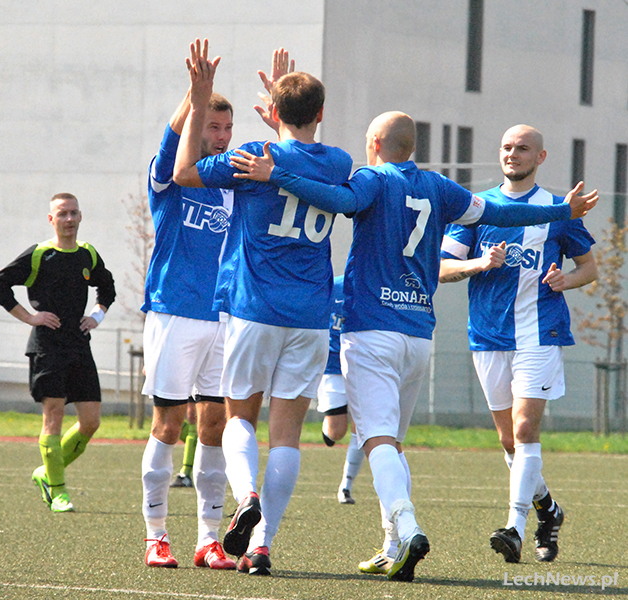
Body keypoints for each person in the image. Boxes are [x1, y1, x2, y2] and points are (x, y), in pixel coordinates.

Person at [229, 111, 598, 581]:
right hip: (418, 333)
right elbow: (502, 213)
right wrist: (561, 211)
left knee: (376, 439)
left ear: (375, 144)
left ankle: (407, 528)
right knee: (394, 444)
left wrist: (276, 172)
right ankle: (390, 545)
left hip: (372, 329)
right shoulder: (439, 187)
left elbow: (338, 199)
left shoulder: (372, 179)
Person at [174, 40, 354, 576]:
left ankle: (245, 494)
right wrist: (281, 115)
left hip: (255, 309)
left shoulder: (253, 156)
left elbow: (184, 172)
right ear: (321, 113)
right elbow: (302, 158)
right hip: (311, 317)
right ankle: (262, 546)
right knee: (287, 437)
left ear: (274, 112)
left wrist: (198, 99)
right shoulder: (339, 161)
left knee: (239, 418)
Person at [439, 124, 597, 564]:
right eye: (507, 147)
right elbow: (442, 269)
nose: (513, 154)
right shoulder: (477, 208)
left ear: (539, 157)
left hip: (540, 332)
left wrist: (566, 280)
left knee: (526, 429)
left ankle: (515, 528)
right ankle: (549, 509)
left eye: (523, 148)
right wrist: (479, 263)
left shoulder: (558, 209)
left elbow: (589, 268)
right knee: (509, 441)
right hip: (487, 334)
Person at [139, 53, 235, 570]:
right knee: (169, 425)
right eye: (212, 126)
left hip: (225, 319)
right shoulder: (170, 180)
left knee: (214, 425)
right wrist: (196, 97)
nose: (220, 136)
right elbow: (171, 138)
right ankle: (156, 536)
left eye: (226, 127)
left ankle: (208, 538)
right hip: (175, 312)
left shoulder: (233, 184)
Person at [0, 193, 116, 513]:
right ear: (51, 219)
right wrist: (30, 317)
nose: (68, 219)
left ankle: (46, 472)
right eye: (62, 214)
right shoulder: (39, 255)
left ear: (80, 216)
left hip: (79, 344)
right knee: (54, 415)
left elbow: (107, 288)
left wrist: (96, 316)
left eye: (73, 213)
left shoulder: (88, 254)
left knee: (91, 421)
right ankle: (58, 492)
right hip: (47, 346)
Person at [317, 275, 365, 506]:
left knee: (362, 425)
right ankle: (327, 430)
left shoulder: (372, 289)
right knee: (337, 431)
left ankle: (346, 486)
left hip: (362, 364)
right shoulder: (332, 287)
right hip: (333, 364)